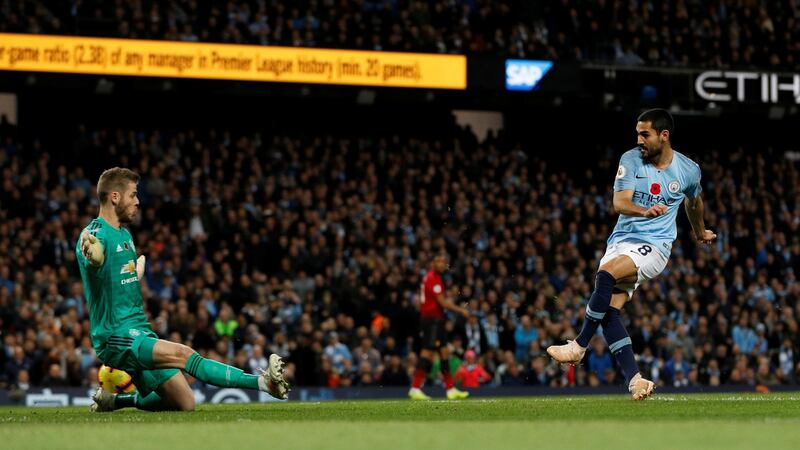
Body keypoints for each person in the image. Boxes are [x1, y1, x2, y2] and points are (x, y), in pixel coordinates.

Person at [77, 167, 289, 412]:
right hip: (117, 336)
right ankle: (264, 383)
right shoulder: (94, 234)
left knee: (185, 403)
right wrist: (94, 257)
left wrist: (134, 275)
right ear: (115, 197)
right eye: (133, 195)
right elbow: (94, 256)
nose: (138, 201)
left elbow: (111, 279)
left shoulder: (123, 233)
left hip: (138, 330)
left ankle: (113, 401)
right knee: (184, 354)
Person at [546, 109, 716, 400]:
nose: (639, 139)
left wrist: (699, 232)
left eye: (645, 134)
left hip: (656, 244)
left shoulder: (688, 170)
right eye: (638, 133)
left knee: (606, 274)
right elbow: (620, 202)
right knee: (609, 311)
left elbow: (694, 202)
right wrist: (644, 210)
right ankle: (636, 380)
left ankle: (578, 346)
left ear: (664, 136)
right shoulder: (631, 159)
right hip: (621, 240)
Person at [408, 254, 471, 400]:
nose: (442, 264)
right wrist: (461, 310)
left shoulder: (433, 278)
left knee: (444, 352)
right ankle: (415, 388)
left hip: (437, 320)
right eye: (439, 262)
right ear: (433, 263)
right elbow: (442, 303)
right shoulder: (433, 278)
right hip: (432, 321)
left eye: (444, 262)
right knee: (427, 353)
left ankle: (450, 389)